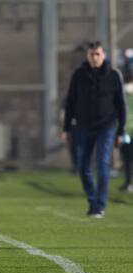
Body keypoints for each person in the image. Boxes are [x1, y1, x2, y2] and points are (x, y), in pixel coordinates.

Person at [62, 41, 126, 218]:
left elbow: (120, 105)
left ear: (103, 55)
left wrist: (120, 131)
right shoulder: (79, 75)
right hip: (83, 127)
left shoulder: (114, 75)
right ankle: (92, 201)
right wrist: (66, 129)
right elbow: (71, 103)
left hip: (106, 126)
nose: (95, 57)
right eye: (92, 54)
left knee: (103, 162)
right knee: (83, 167)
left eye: (98, 54)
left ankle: (100, 205)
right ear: (87, 55)